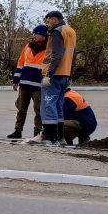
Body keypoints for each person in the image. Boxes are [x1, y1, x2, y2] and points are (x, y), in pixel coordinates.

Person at [39, 9, 76, 146]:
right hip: (65, 74)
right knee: (58, 106)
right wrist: (70, 74)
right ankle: (60, 138)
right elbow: (73, 55)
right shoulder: (71, 31)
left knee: (48, 105)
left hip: (54, 75)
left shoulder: (57, 32)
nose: (48, 24)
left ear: (54, 19)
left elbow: (56, 54)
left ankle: (50, 138)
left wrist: (48, 74)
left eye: (48, 21)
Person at [8, 25, 48, 139]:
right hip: (24, 84)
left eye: (37, 34)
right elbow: (20, 63)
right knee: (21, 109)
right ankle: (17, 130)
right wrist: (16, 80)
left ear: (44, 36)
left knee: (39, 110)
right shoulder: (28, 47)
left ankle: (38, 132)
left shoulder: (48, 49)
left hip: (39, 86)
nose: (34, 36)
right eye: (34, 34)